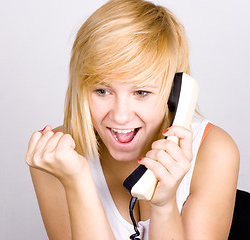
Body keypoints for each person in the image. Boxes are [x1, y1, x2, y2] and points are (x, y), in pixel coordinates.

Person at [25, 0, 240, 239]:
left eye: (141, 92)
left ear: (174, 93)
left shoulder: (215, 153)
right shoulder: (56, 158)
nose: (120, 115)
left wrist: (163, 205)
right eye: (102, 91)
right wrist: (78, 182)